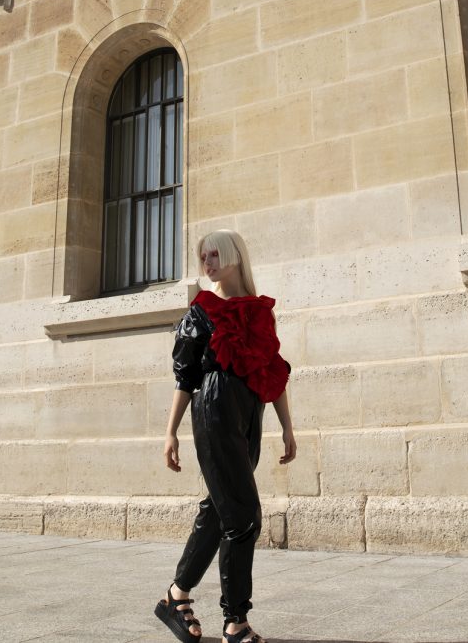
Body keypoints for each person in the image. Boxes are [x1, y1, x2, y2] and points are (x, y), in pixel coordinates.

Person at [155, 229, 297, 643]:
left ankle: (176, 596)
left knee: (219, 511)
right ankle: (235, 622)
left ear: (235, 255)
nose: (207, 262)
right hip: (214, 407)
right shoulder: (201, 312)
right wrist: (171, 433)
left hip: (248, 413)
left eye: (214, 254)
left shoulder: (259, 312)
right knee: (244, 516)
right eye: (203, 257)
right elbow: (186, 377)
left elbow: (273, 370)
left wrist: (287, 425)